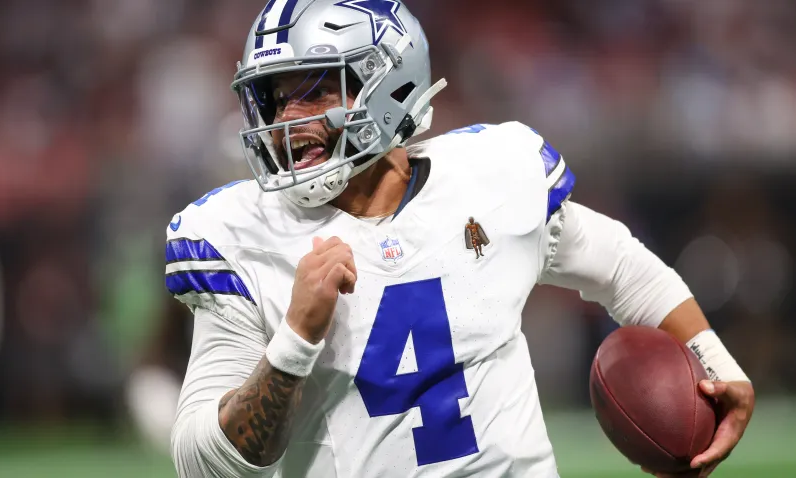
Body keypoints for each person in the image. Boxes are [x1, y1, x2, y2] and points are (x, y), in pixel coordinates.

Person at [166, 1, 754, 477]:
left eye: (316, 89)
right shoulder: (241, 235)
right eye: (275, 96)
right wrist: (294, 343)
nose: (289, 118)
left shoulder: (488, 174)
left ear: (389, 81)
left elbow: (622, 267)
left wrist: (717, 366)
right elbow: (202, 464)